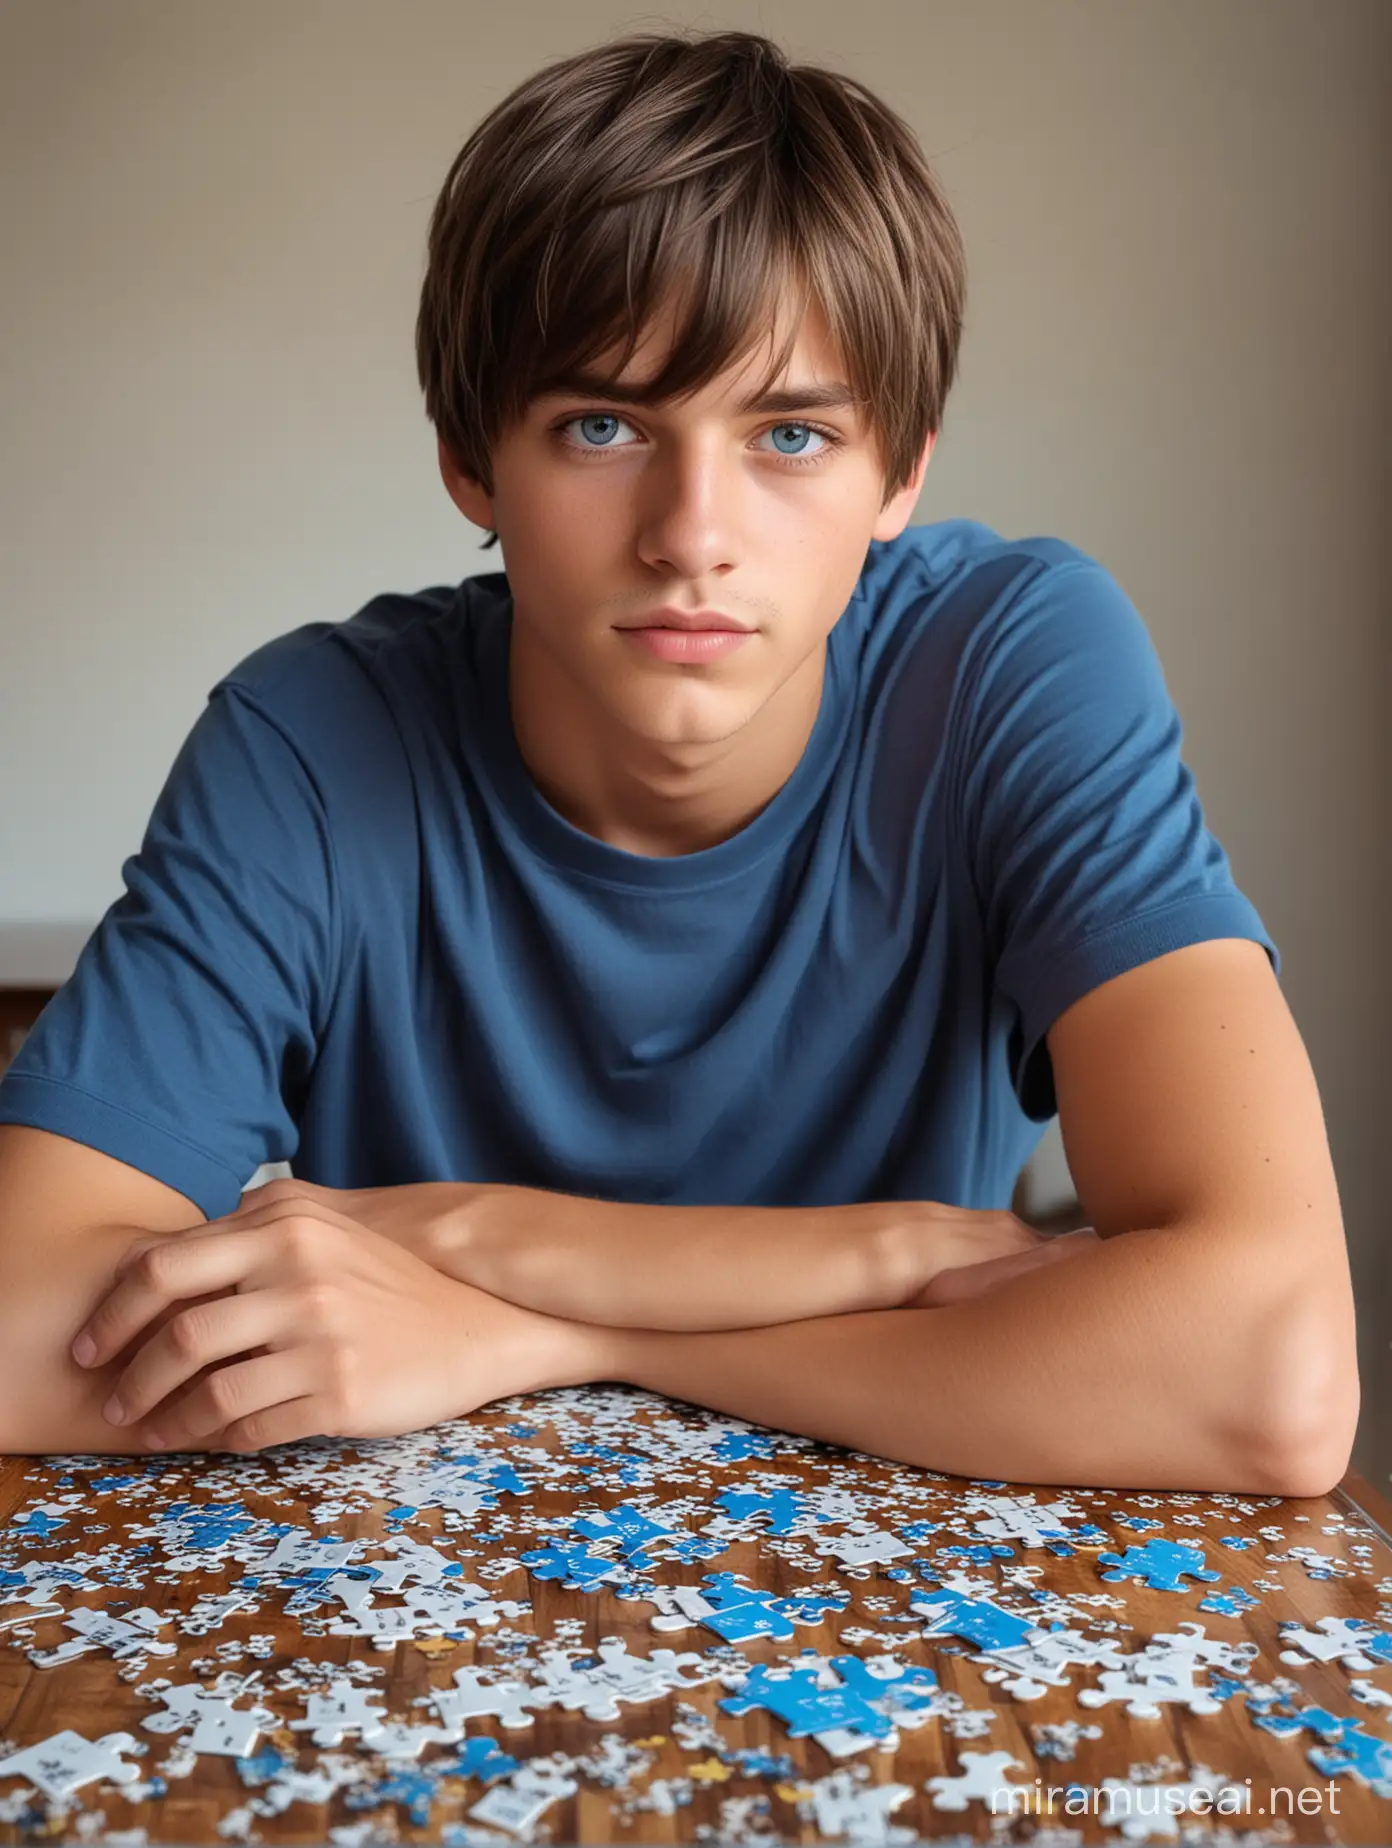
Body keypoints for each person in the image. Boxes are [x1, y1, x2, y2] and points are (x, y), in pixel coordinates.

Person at [0, 29, 1357, 1491]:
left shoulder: (1011, 665)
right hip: (405, 1594)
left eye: (787, 434)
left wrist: (518, 1307)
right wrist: (870, 1257)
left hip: (912, 1601)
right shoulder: (312, 742)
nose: (691, 533)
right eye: (601, 425)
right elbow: (17, 1327)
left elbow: (1270, 1372)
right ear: (472, 459)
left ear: (900, 472)